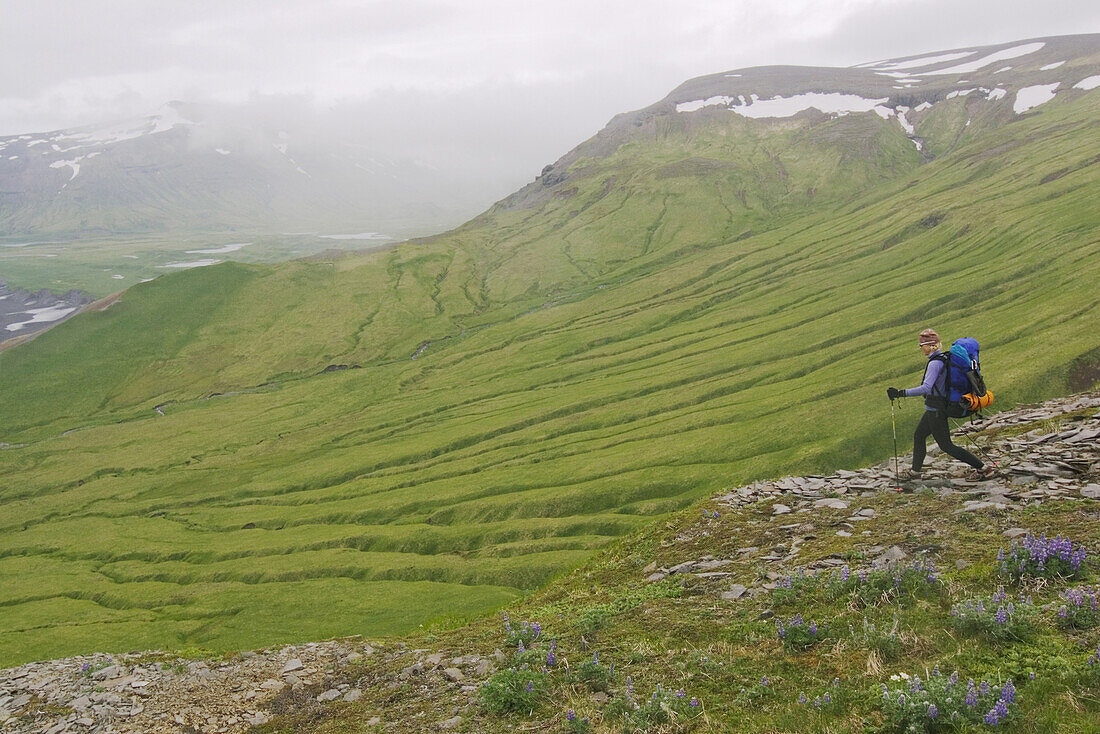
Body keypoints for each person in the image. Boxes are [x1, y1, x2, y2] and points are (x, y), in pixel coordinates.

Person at [886, 328, 994, 480]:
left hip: (936, 409)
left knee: (946, 446)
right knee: (919, 435)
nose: (920, 348)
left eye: (921, 345)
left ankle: (983, 468)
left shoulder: (934, 363)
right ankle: (915, 472)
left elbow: (926, 388)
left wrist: (900, 393)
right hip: (937, 407)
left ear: (929, 346)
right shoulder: (945, 358)